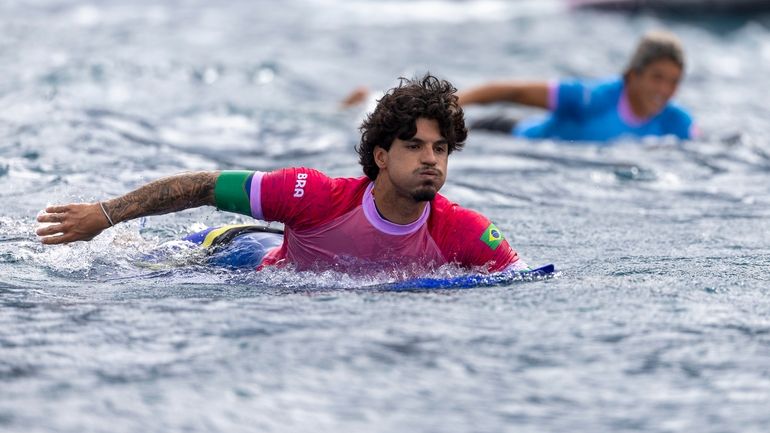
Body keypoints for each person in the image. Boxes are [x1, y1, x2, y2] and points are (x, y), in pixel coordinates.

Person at [37, 74, 529, 276]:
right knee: (135, 262)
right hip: (230, 253)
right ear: (381, 155)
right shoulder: (314, 195)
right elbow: (205, 186)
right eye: (415, 146)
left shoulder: (465, 231)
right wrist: (105, 214)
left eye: (441, 148)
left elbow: (524, 283)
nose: (431, 160)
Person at [458, 30, 697, 142]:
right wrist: (453, 102)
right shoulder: (591, 99)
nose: (664, 90)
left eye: (674, 82)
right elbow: (513, 91)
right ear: (632, 75)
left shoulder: (678, 122)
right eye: (657, 77)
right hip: (506, 135)